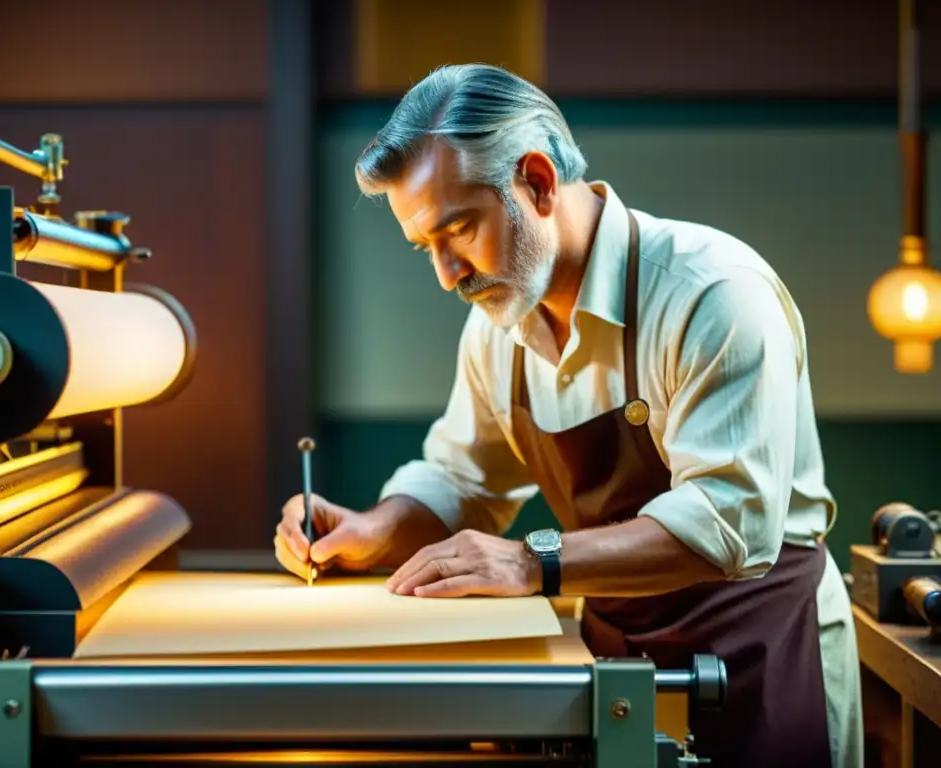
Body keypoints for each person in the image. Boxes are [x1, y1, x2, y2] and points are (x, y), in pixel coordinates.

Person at [274, 64, 862, 768]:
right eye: (423, 246)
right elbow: (463, 481)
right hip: (613, 655)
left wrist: (531, 560)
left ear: (538, 181)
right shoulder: (499, 329)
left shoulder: (712, 293)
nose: (445, 273)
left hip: (764, 646)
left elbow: (730, 521)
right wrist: (376, 528)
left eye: (458, 229)